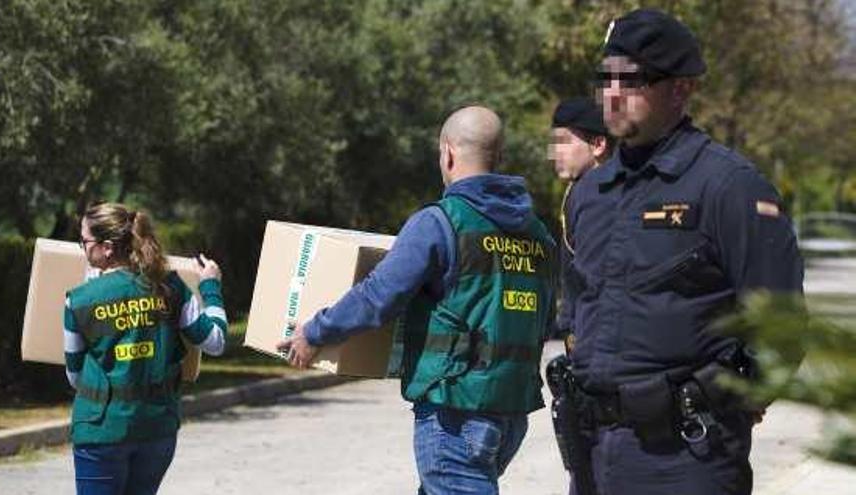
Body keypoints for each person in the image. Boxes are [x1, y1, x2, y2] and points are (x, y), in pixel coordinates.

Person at [561, 8, 804, 495]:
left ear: (681, 88)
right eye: (604, 77)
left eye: (632, 81)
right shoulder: (591, 191)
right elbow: (576, 310)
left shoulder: (727, 187)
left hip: (688, 456)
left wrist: (728, 402)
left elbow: (782, 329)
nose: (611, 93)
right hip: (595, 452)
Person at [278, 106, 557, 494]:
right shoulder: (538, 235)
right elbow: (543, 320)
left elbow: (378, 295)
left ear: (448, 154)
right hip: (510, 413)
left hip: (455, 414)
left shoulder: (440, 222)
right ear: (500, 158)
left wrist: (315, 332)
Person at [64, 202, 228, 495]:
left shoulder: (79, 300)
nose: (82, 248)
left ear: (108, 247)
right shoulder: (170, 286)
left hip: (101, 431)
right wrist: (211, 288)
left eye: (84, 241)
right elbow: (215, 341)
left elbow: (75, 377)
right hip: (157, 427)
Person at [546, 97, 613, 347]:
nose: (555, 153)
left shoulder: (597, 193)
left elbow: (594, 279)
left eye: (563, 142)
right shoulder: (582, 188)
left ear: (598, 145)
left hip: (598, 340)